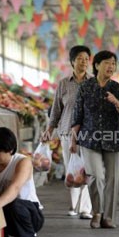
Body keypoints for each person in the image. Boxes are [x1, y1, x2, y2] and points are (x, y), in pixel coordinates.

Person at [71, 50, 119, 229]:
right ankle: (97, 212)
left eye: (113, 63)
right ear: (97, 65)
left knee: (112, 178)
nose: (111, 66)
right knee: (95, 176)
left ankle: (108, 217)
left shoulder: (118, 88)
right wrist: (74, 140)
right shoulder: (85, 87)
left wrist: (116, 102)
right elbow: (77, 115)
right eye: (107, 62)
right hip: (89, 138)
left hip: (112, 139)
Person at [41, 45, 93, 219]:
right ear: (72, 61)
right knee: (72, 169)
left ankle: (85, 208)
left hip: (87, 134)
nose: (84, 62)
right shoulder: (63, 84)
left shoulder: (94, 82)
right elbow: (56, 110)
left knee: (87, 169)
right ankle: (73, 205)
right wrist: (49, 130)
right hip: (66, 133)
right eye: (80, 58)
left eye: (86, 59)